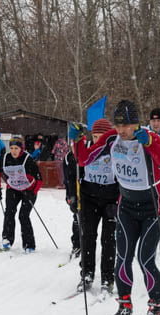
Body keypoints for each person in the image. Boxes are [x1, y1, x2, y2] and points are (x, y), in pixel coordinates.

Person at [99, 100, 160, 315]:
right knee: (122, 257)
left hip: (153, 206)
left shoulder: (150, 137)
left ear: (136, 124)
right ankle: (125, 305)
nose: (121, 130)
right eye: (118, 125)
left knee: (145, 259)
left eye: (126, 126)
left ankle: (155, 308)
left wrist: (149, 143)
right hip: (127, 206)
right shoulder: (113, 138)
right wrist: (78, 142)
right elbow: (85, 158)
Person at [71, 118, 119, 293]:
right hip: (89, 198)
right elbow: (75, 171)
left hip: (110, 199)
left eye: (102, 136)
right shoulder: (87, 147)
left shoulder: (115, 149)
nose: (99, 140)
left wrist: (118, 199)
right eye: (96, 136)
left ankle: (107, 278)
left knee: (109, 240)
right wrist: (73, 197)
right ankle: (87, 274)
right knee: (88, 237)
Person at [0, 137, 43, 252]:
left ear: (21, 148)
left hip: (28, 190)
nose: (13, 151)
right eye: (11, 148)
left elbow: (39, 179)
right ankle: (7, 239)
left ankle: (29, 244)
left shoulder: (28, 159)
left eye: (16, 148)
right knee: (9, 212)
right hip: (13, 189)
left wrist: (33, 192)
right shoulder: (6, 158)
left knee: (23, 215)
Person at [61, 140, 81, 259]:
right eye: (73, 145)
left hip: (87, 190)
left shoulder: (86, 153)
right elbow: (67, 179)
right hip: (74, 191)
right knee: (76, 218)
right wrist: (70, 197)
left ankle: (87, 245)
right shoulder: (68, 158)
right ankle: (77, 245)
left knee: (87, 220)